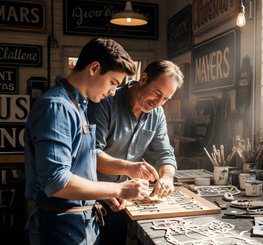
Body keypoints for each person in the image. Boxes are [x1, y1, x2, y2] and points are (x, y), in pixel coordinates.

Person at [24, 38, 160, 244]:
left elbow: (78, 165)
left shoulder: (79, 105)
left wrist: (101, 194)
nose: (114, 91)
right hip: (60, 228)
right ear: (94, 68)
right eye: (113, 82)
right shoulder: (57, 107)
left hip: (82, 223)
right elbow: (55, 180)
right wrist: (119, 189)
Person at [88, 59, 184, 244]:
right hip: (92, 196)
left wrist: (166, 178)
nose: (158, 103)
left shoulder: (157, 114)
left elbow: (165, 153)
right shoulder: (105, 101)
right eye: (157, 93)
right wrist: (129, 168)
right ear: (143, 79)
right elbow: (90, 154)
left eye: (165, 99)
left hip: (122, 201)